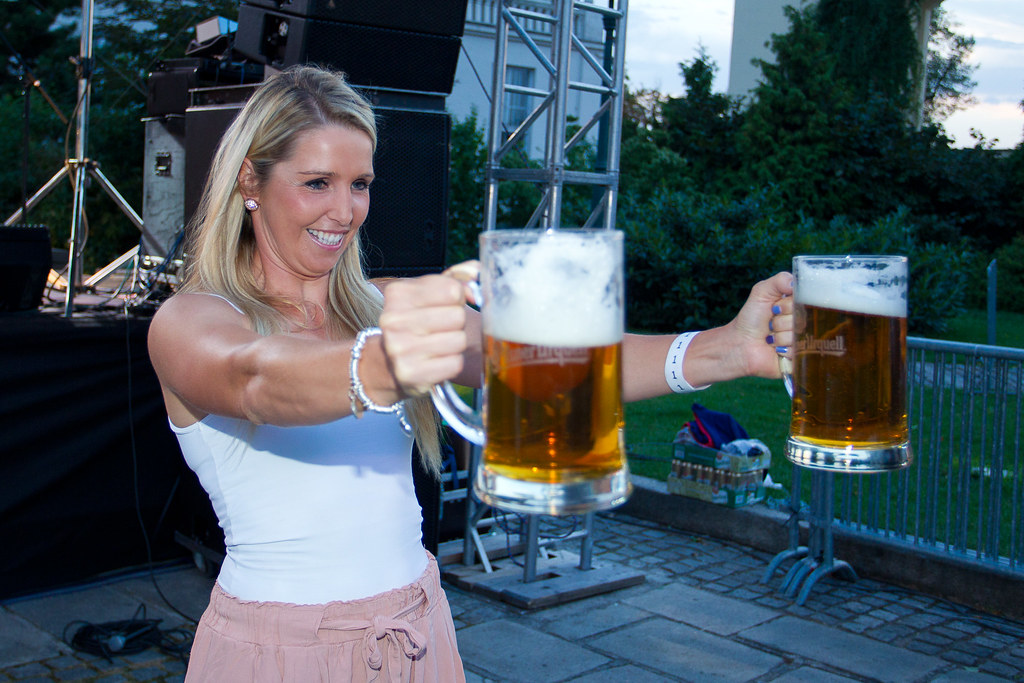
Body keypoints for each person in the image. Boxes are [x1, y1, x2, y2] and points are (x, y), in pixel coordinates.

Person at [147, 64, 794, 682]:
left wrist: (724, 350)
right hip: (281, 653)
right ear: (249, 184)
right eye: (317, 182)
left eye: (360, 184)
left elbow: (561, 359)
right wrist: (385, 361)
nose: (344, 212)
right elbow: (253, 378)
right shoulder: (191, 319)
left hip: (416, 632)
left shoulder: (385, 305)